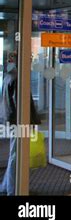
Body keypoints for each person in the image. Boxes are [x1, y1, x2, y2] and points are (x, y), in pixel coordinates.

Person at [0, 53, 41, 196]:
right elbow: (20, 104)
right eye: (29, 59)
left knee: (14, 153)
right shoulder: (19, 78)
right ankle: (13, 189)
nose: (31, 62)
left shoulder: (9, 75)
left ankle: (6, 186)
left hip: (9, 118)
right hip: (17, 121)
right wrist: (28, 121)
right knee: (16, 155)